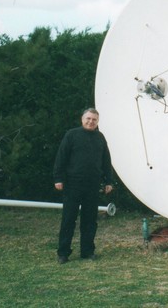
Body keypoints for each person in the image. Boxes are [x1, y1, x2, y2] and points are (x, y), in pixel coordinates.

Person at [53, 108, 114, 264]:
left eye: (94, 119)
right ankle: (63, 253)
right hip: (73, 184)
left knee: (89, 220)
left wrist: (109, 181)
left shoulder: (100, 138)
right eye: (88, 118)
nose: (90, 121)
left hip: (92, 185)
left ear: (97, 122)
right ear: (82, 119)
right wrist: (58, 178)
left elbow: (106, 161)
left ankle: (87, 251)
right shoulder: (72, 135)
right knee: (68, 219)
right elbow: (61, 157)